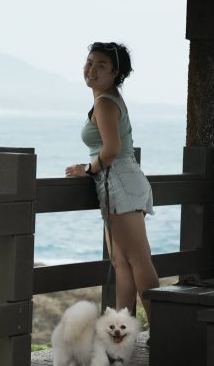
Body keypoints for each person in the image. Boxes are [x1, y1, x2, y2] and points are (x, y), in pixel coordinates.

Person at [65, 41, 160, 322]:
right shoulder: (106, 98)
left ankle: (164, 331)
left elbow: (111, 150)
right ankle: (125, 330)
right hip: (121, 182)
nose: (91, 69)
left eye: (101, 65)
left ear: (115, 72)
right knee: (121, 263)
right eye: (90, 62)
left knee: (138, 261)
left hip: (119, 183)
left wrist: (88, 169)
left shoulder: (105, 102)